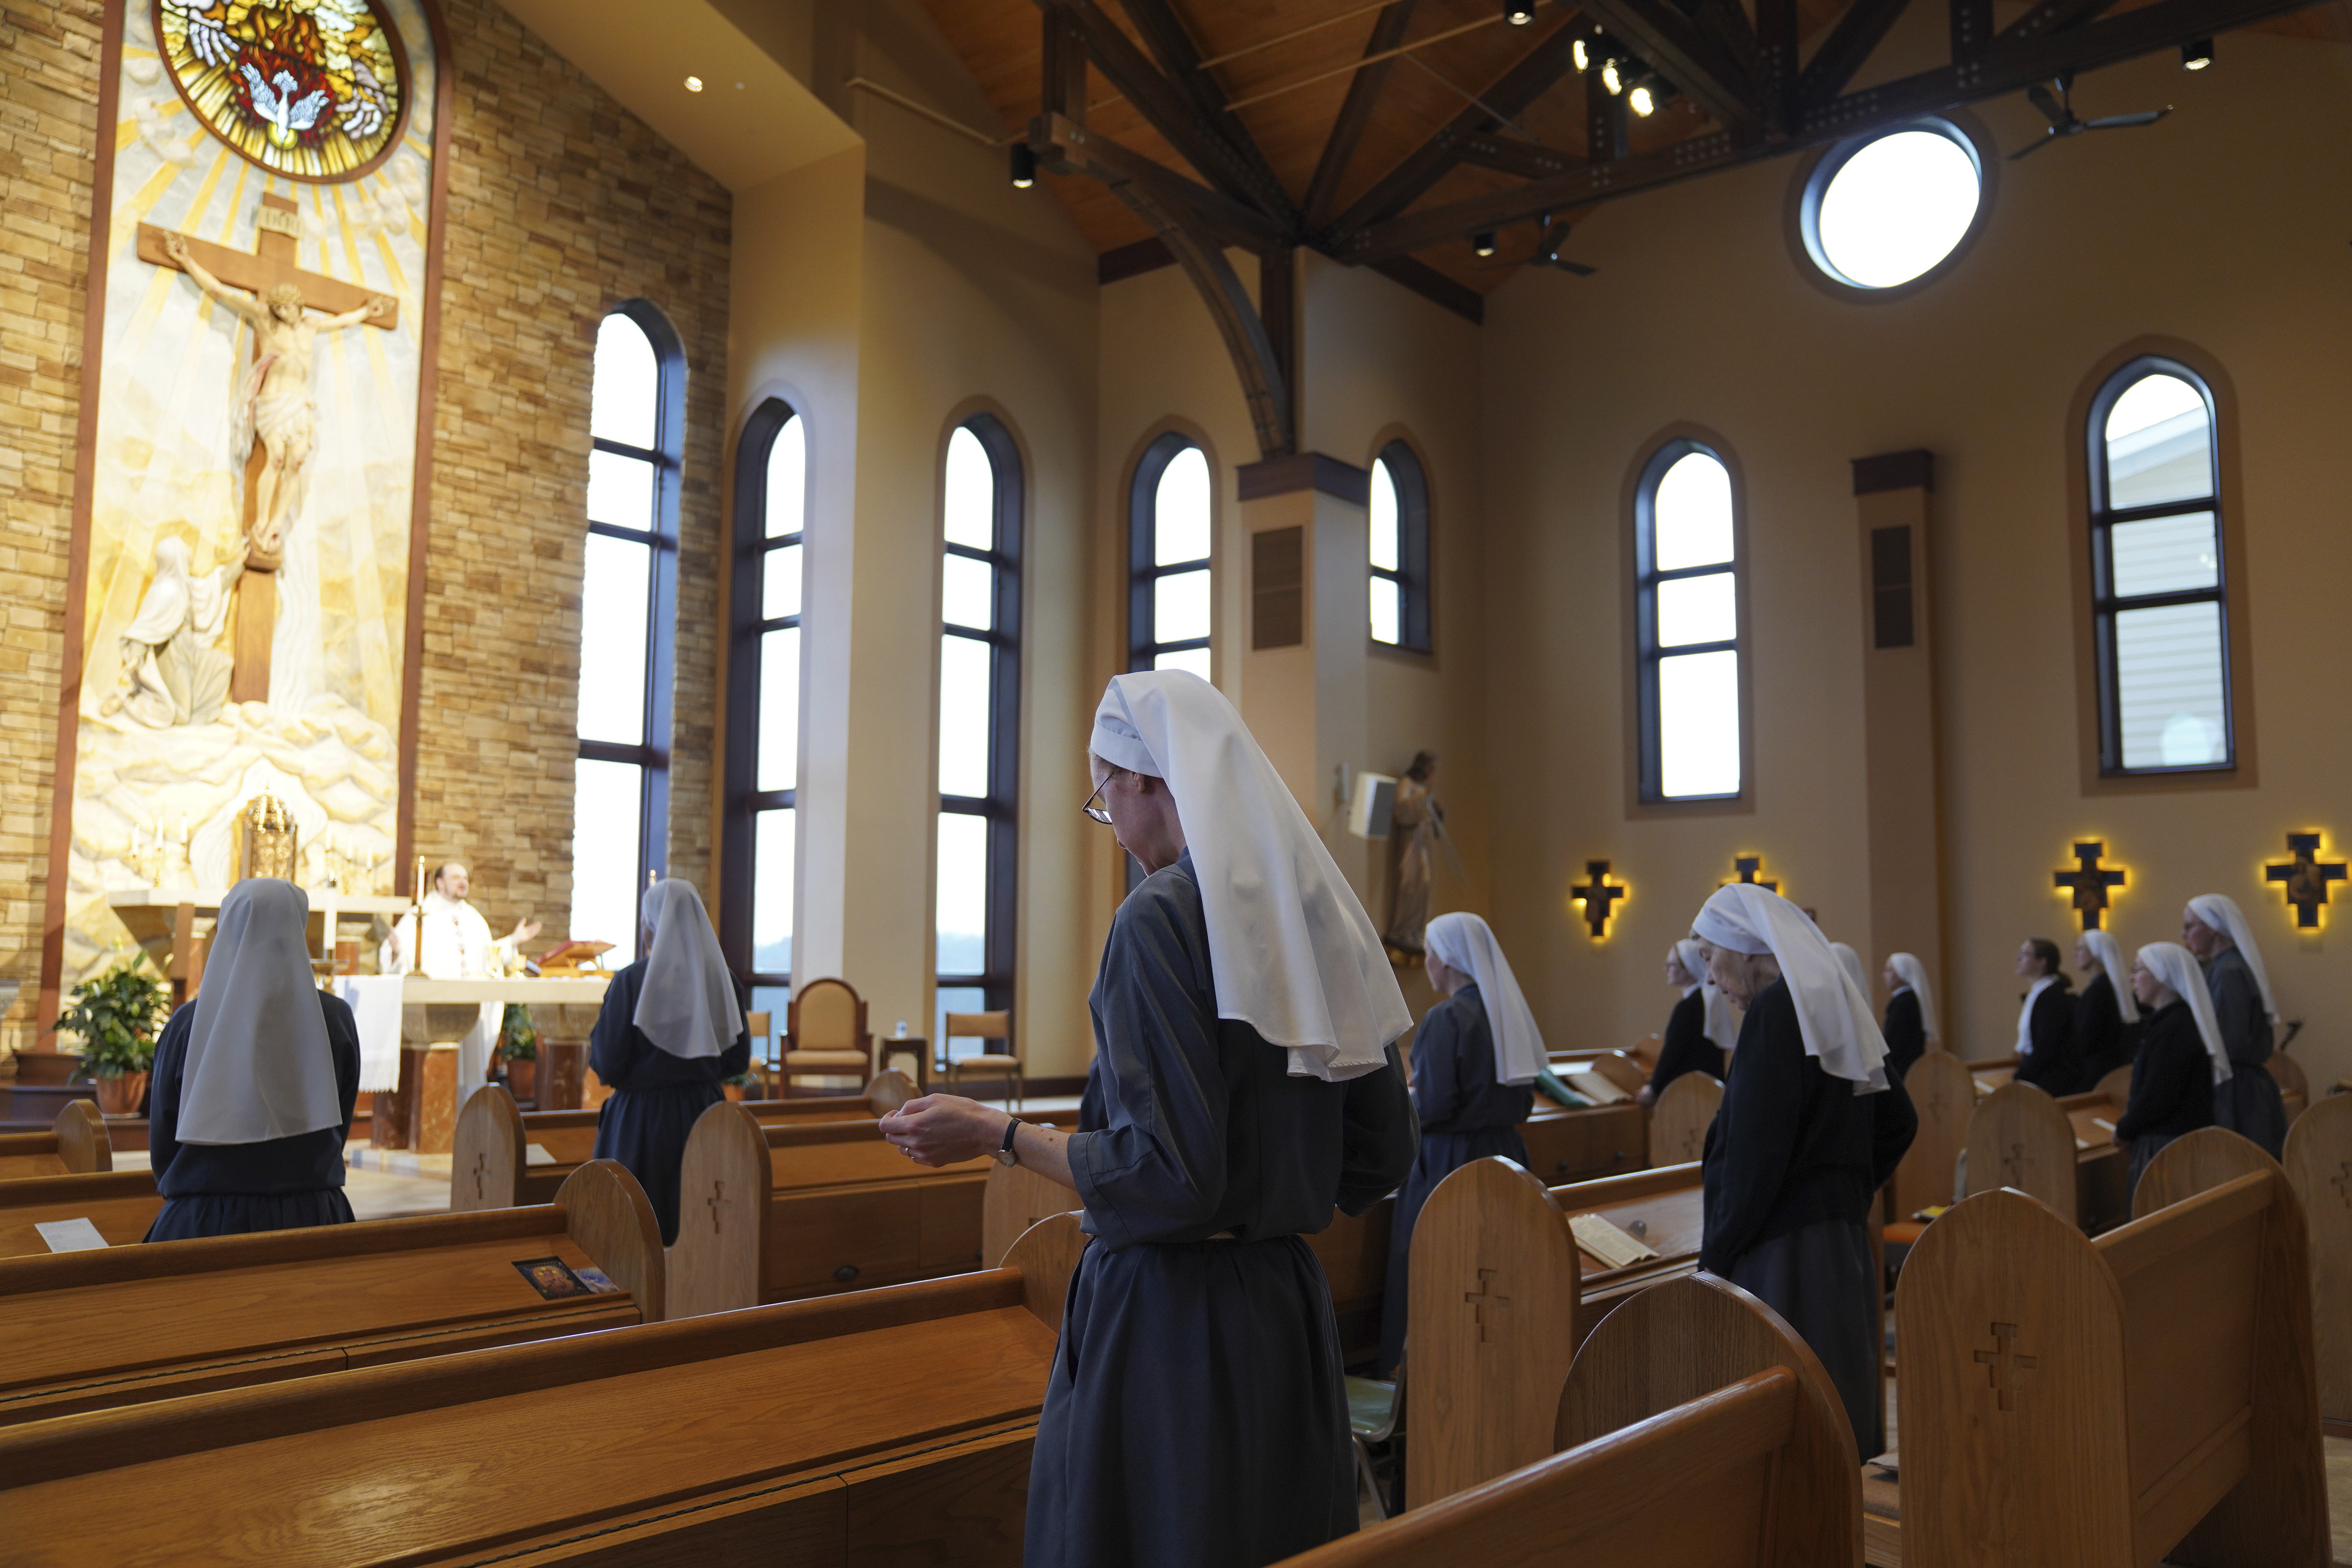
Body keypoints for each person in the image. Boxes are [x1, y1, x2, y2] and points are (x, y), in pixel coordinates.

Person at [877, 669, 1419, 1568]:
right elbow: (1379, 1152)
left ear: (1141, 781)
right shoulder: (1315, 906)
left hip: (1174, 1320)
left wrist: (995, 1132)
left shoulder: (1158, 918)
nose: (1111, 828)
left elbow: (1172, 1173)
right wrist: (1273, 1183)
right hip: (1285, 1310)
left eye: (1102, 797)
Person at [1690, 883, 1916, 1460]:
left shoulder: (1773, 1013)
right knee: (1838, 1395)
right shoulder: (1830, 1002)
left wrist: (1714, 1257)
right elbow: (1900, 1119)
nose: (1711, 978)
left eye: (1710, 957)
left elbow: (1752, 1159)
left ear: (1742, 948)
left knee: (1792, 1416)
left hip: (1780, 1249)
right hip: (1838, 1241)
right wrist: (1843, 1190)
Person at [145, 879, 361, 1241]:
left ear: (227, 927)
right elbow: (341, 1117)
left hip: (204, 1222)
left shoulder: (188, 1024)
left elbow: (163, 1138)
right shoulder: (336, 1018)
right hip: (315, 1220)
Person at [1376, 910, 1540, 1377]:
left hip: (1450, 1161)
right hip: (1507, 1154)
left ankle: (1425, 1376)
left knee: (1438, 1267)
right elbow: (1524, 1095)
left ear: (1445, 959)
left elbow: (1432, 1103)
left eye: (1429, 952)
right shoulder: (1508, 1012)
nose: (1426, 962)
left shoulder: (1447, 1017)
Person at [588, 880, 750, 1245]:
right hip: (704, 1113)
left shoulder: (632, 980)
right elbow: (737, 1058)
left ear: (651, 924)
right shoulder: (724, 980)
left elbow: (609, 1063)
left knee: (633, 1231)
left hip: (639, 1120)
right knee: (700, 1224)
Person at [379, 861, 545, 1102]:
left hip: (469, 1010)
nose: (463, 882)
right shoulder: (420, 914)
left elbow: (489, 957)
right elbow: (398, 955)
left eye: (466, 878)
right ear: (439, 883)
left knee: (469, 1071)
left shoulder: (474, 919)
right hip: (436, 1010)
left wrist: (512, 941)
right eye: (456, 877)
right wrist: (395, 952)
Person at [2112, 942, 2224, 1190]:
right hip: (2164, 1139)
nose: (2132, 978)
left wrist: (2124, 1130)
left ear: (2161, 975)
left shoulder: (2175, 1027)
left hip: (2167, 1145)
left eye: (2138, 970)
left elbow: (2159, 1095)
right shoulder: (2168, 1022)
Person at [2183, 895, 2287, 1157]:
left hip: (2238, 1093)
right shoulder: (2222, 968)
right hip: (2240, 1085)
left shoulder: (2227, 971)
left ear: (2213, 928)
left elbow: (2229, 1042)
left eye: (2190, 926)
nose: (2184, 935)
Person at [1637, 940, 1733, 1107]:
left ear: (1689, 968)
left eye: (1672, 965)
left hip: (1689, 1094)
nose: (1666, 969)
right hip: (1707, 1091)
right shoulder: (1705, 1002)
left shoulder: (1689, 1007)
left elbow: (1673, 1053)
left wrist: (1653, 1089)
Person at [2010, 937, 2080, 1095]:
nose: (2018, 959)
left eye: (2025, 954)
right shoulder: (2040, 993)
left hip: (2051, 1080)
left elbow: (2046, 1045)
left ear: (2042, 962)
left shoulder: (2051, 997)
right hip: (2039, 1073)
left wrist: (2022, 1076)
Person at [2072, 929, 2140, 1087]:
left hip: (2096, 1072)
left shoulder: (2098, 991)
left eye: (2080, 949)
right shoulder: (2105, 987)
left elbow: (2086, 1038)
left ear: (2095, 952)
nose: (2075, 954)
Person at [1880, 953, 1936, 1080]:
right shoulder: (1909, 1000)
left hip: (1901, 1070)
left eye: (1889, 971)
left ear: (1902, 973)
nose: (1884, 976)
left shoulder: (1903, 1002)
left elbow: (1893, 1042)